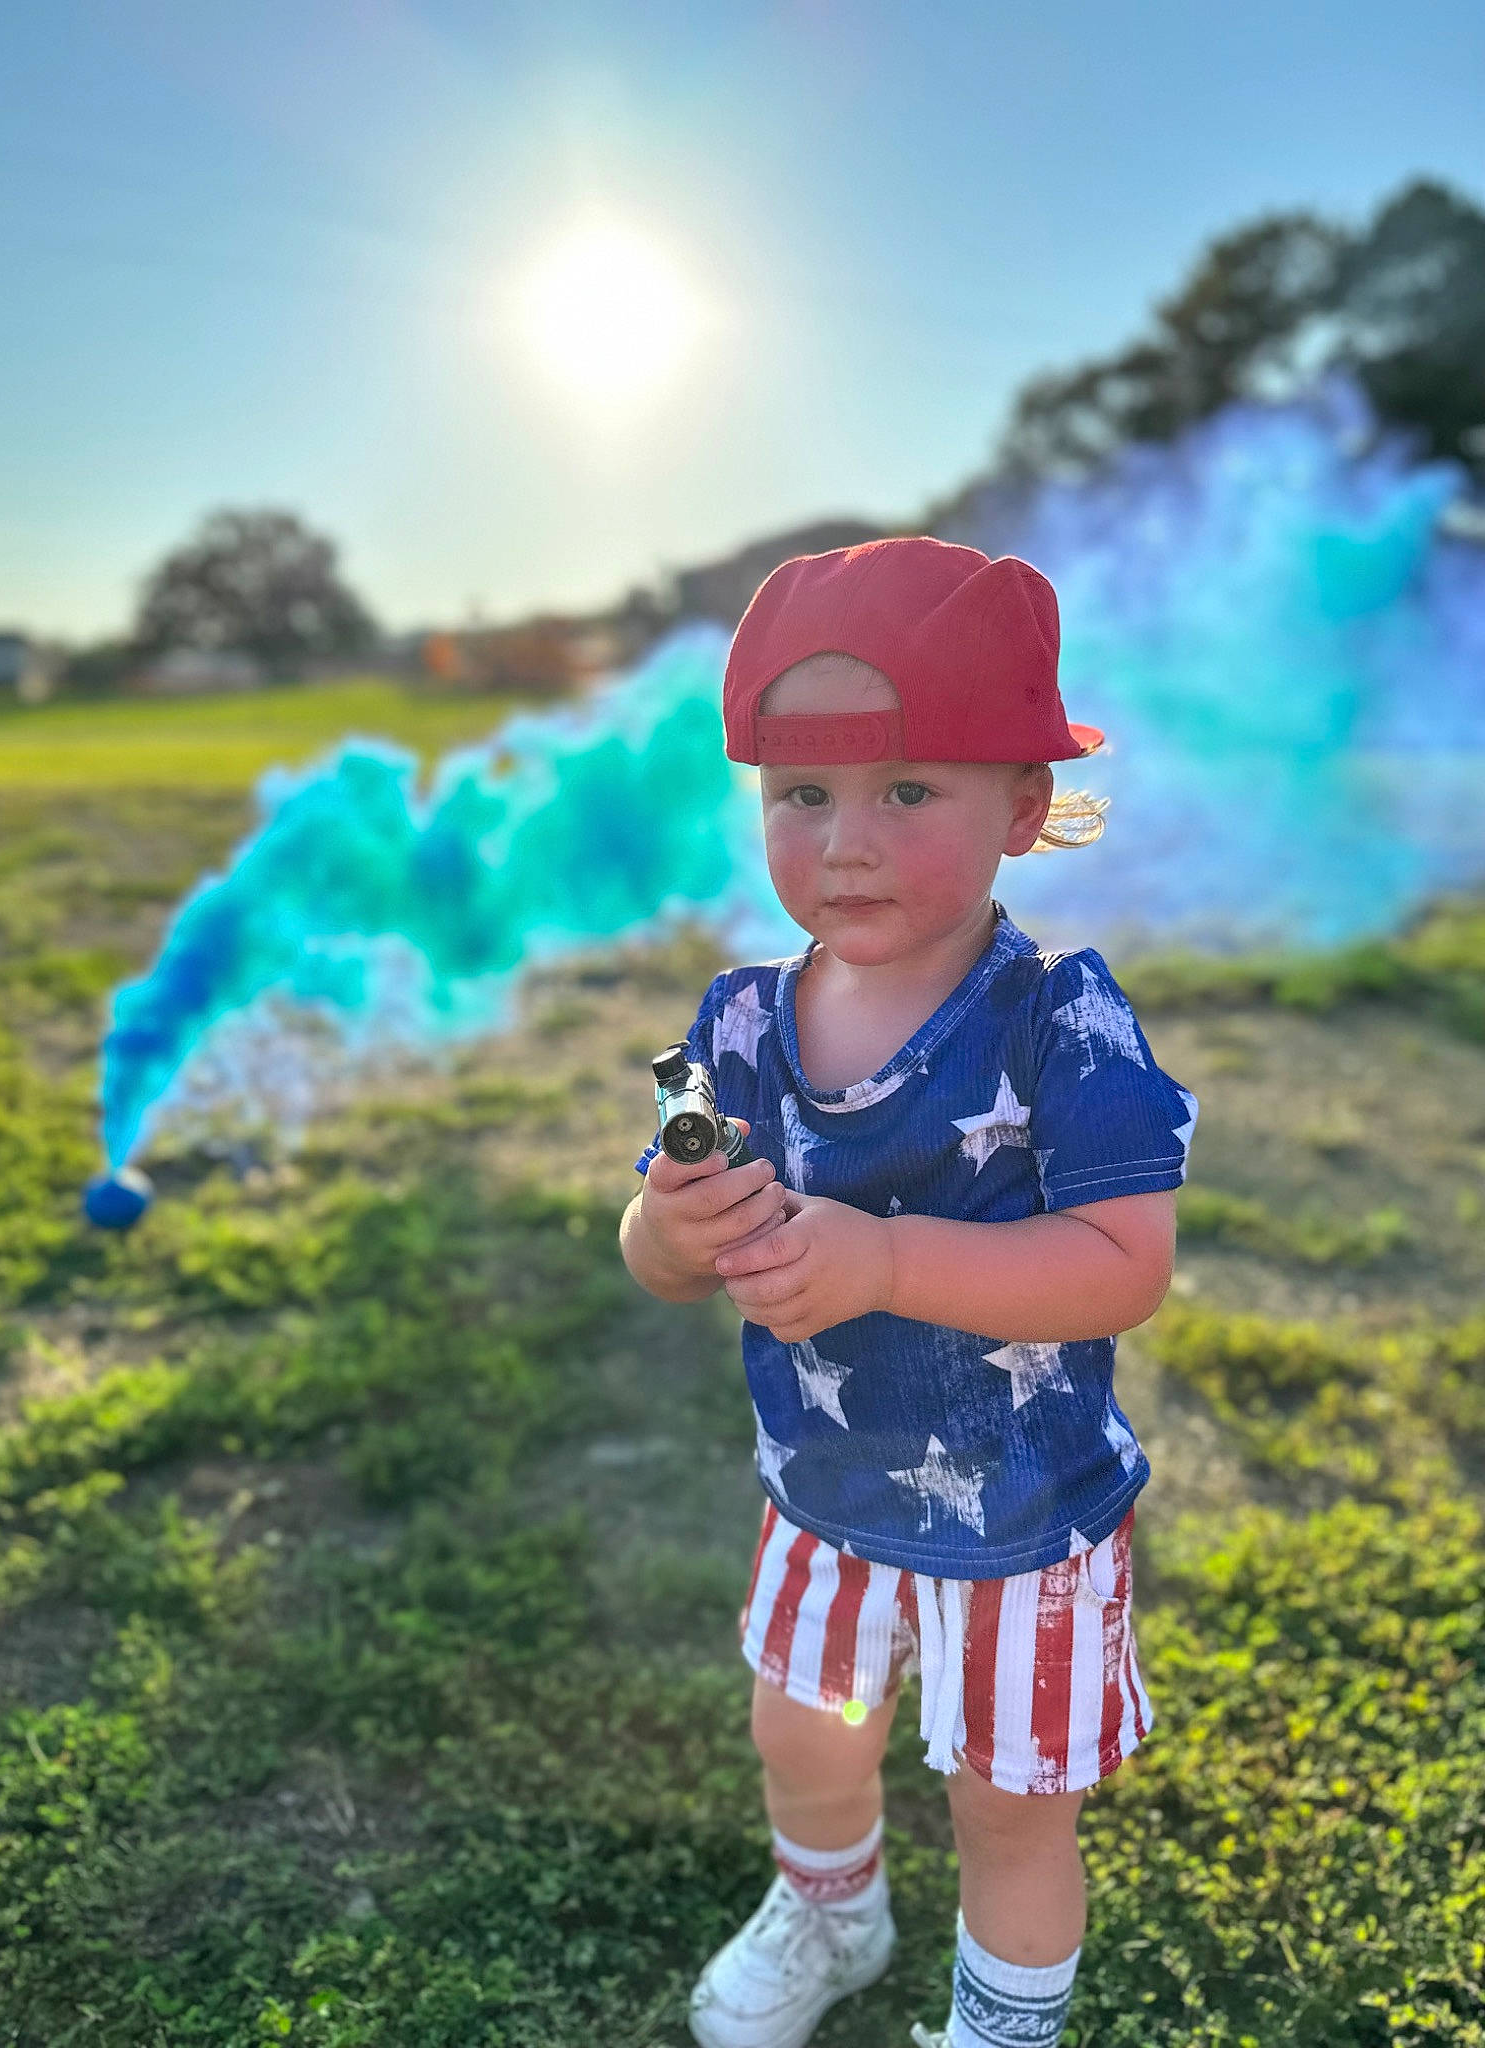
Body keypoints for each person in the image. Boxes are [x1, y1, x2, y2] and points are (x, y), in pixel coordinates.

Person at [618, 536, 1198, 2048]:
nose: (845, 844)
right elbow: (655, 1242)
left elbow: (1124, 1268)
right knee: (800, 1733)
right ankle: (834, 1910)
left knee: (1012, 1805)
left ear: (1021, 807)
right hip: (821, 1486)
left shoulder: (1061, 1021)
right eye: (803, 796)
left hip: (1021, 1513)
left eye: (907, 792)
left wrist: (880, 1258)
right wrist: (678, 1233)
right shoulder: (740, 1022)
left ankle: (1005, 2027)